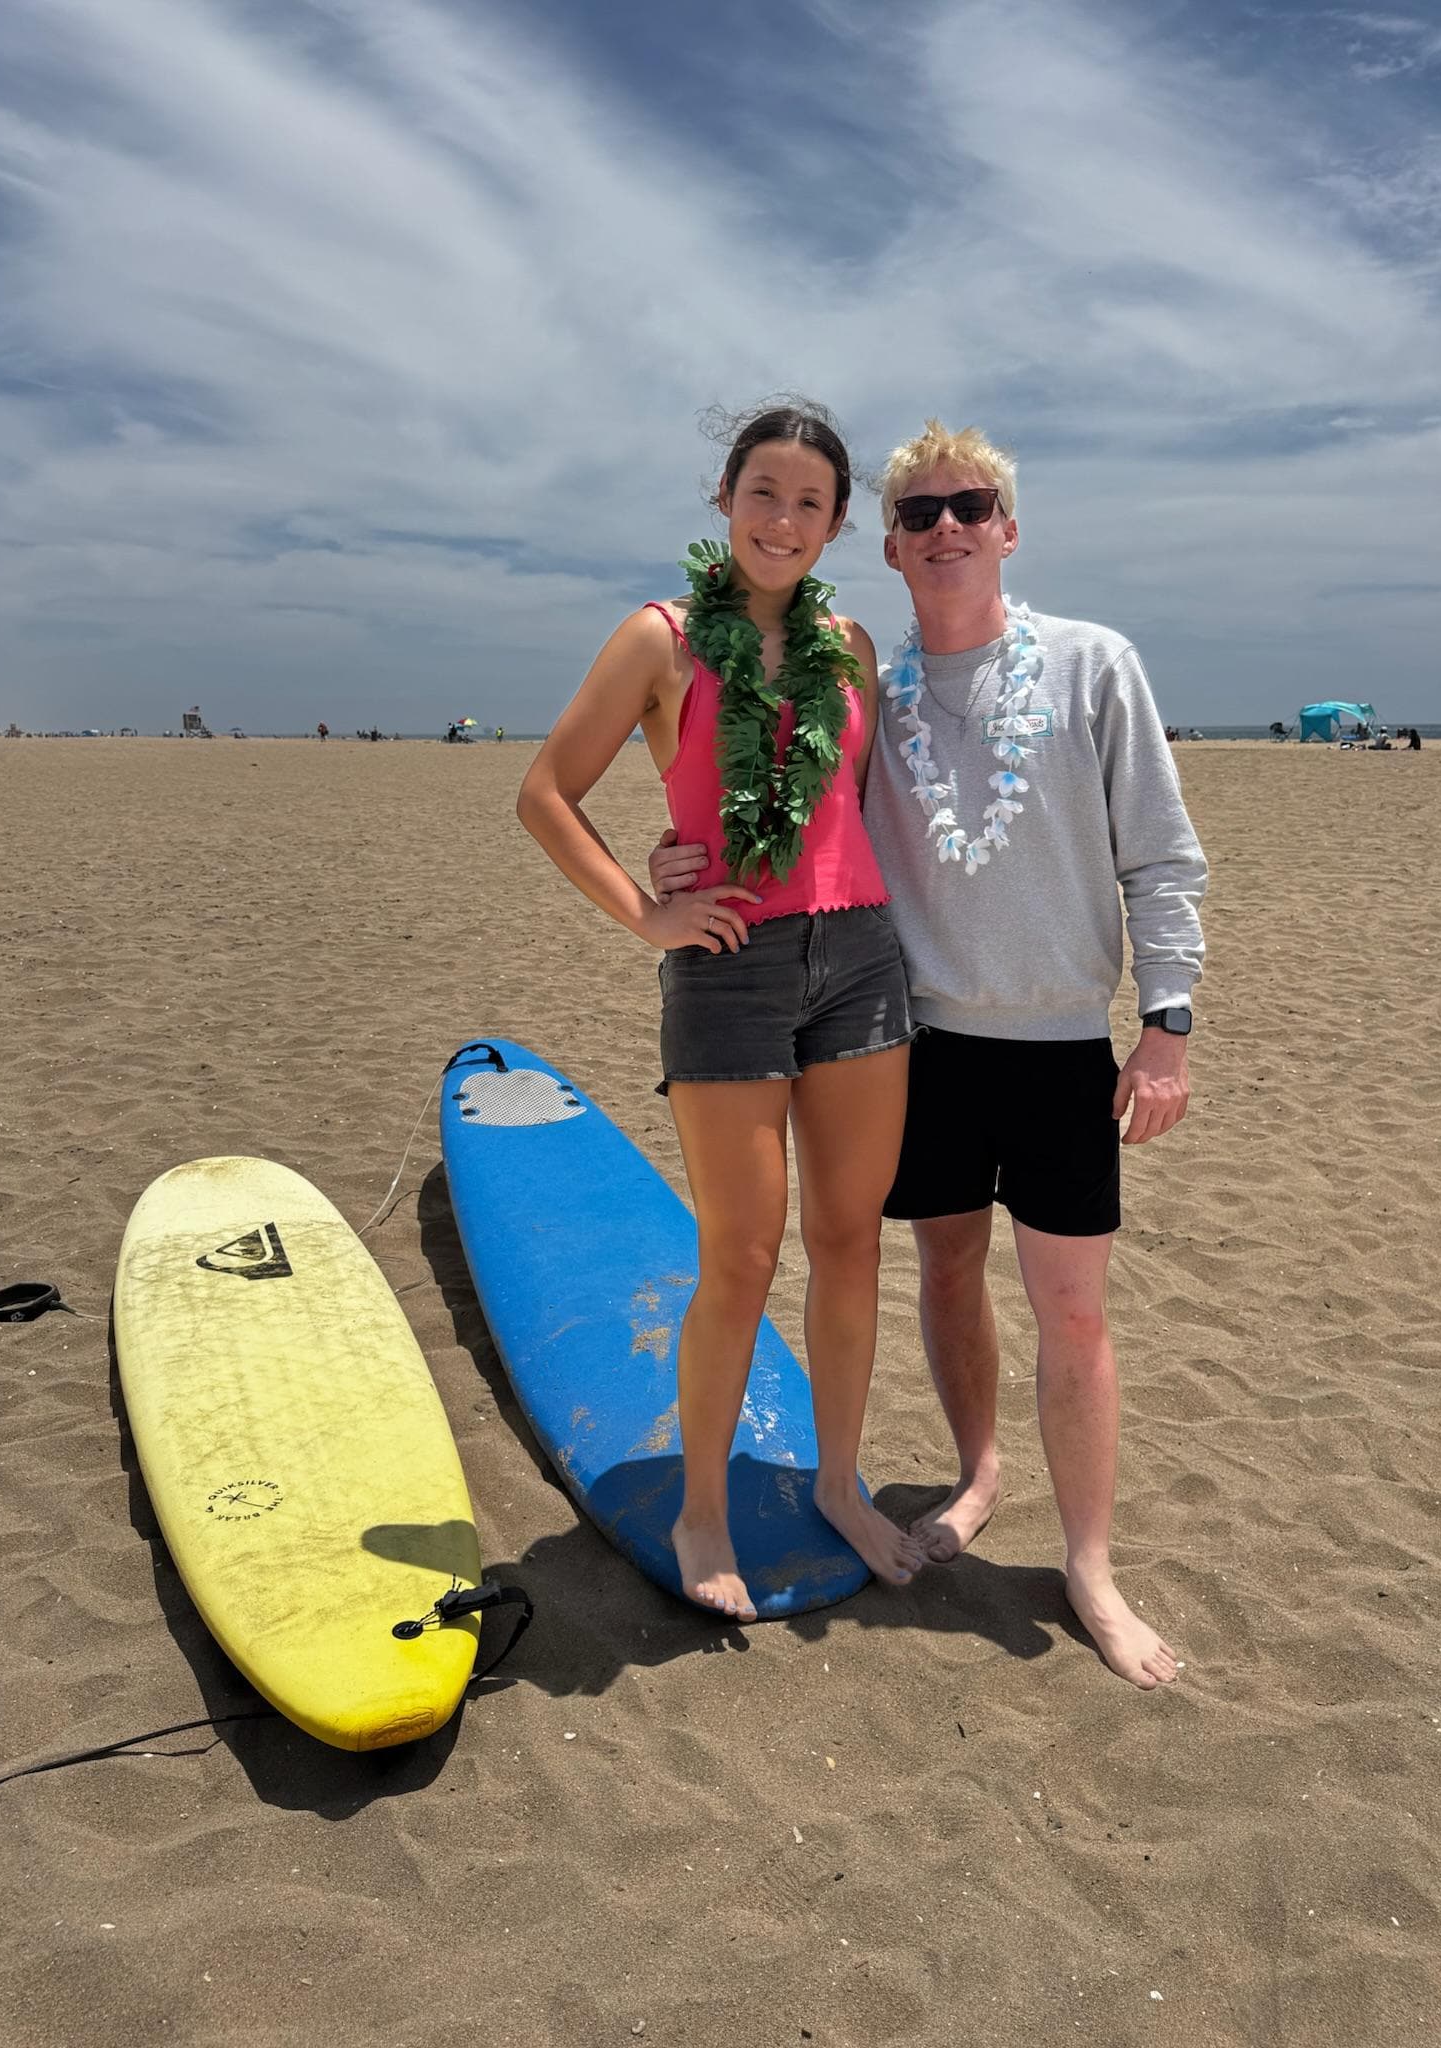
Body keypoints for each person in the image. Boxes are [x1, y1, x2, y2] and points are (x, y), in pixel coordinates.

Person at [652, 419, 1207, 1687]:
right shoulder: (870, 688)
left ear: (1007, 527)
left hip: (1063, 1044)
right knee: (946, 1276)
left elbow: (1164, 857)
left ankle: (1090, 1566)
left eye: (969, 506)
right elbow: (801, 819)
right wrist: (672, 860)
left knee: (1074, 1311)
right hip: (919, 1039)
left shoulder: (1093, 665)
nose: (946, 527)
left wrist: (1166, 1025)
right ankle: (977, 1472)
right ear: (892, 548)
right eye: (919, 514)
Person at [517, 400, 922, 1622]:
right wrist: (647, 909)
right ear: (725, 499)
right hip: (728, 965)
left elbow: (848, 807)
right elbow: (545, 792)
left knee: (850, 1240)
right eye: (763, 493)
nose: (782, 520)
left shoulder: (850, 646)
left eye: (809, 502)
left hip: (861, 958)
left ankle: (839, 1481)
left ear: (836, 523)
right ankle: (702, 1507)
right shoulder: (662, 638)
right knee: (741, 1252)